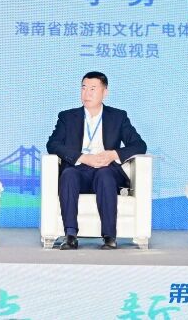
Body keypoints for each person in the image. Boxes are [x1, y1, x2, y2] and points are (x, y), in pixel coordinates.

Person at [46, 71, 147, 249]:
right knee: (68, 174)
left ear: (104, 92)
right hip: (78, 169)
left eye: (93, 89)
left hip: (106, 169)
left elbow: (139, 145)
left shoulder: (118, 117)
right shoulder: (67, 117)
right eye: (84, 88)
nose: (87, 93)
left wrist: (113, 154)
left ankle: (109, 236)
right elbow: (52, 144)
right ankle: (70, 235)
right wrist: (82, 157)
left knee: (105, 175)